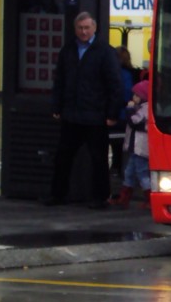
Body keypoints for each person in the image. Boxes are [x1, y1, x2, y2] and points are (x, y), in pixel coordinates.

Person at [45, 11, 125, 209]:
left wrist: (112, 114)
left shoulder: (105, 51)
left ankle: (100, 197)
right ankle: (58, 195)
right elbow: (60, 80)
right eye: (80, 28)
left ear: (94, 28)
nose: (83, 31)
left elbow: (115, 84)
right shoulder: (68, 50)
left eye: (87, 27)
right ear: (75, 29)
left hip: (96, 115)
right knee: (63, 157)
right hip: (72, 113)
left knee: (98, 158)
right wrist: (57, 106)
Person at [112, 80, 151, 209]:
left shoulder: (146, 109)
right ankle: (124, 197)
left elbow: (134, 122)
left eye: (136, 95)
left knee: (142, 173)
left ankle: (150, 198)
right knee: (130, 172)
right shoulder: (141, 108)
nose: (133, 98)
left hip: (140, 148)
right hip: (135, 148)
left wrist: (129, 109)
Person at [108, 46, 137, 178]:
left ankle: (114, 168)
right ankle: (120, 170)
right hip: (125, 115)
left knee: (112, 143)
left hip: (113, 113)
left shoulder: (112, 73)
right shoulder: (130, 74)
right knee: (122, 145)